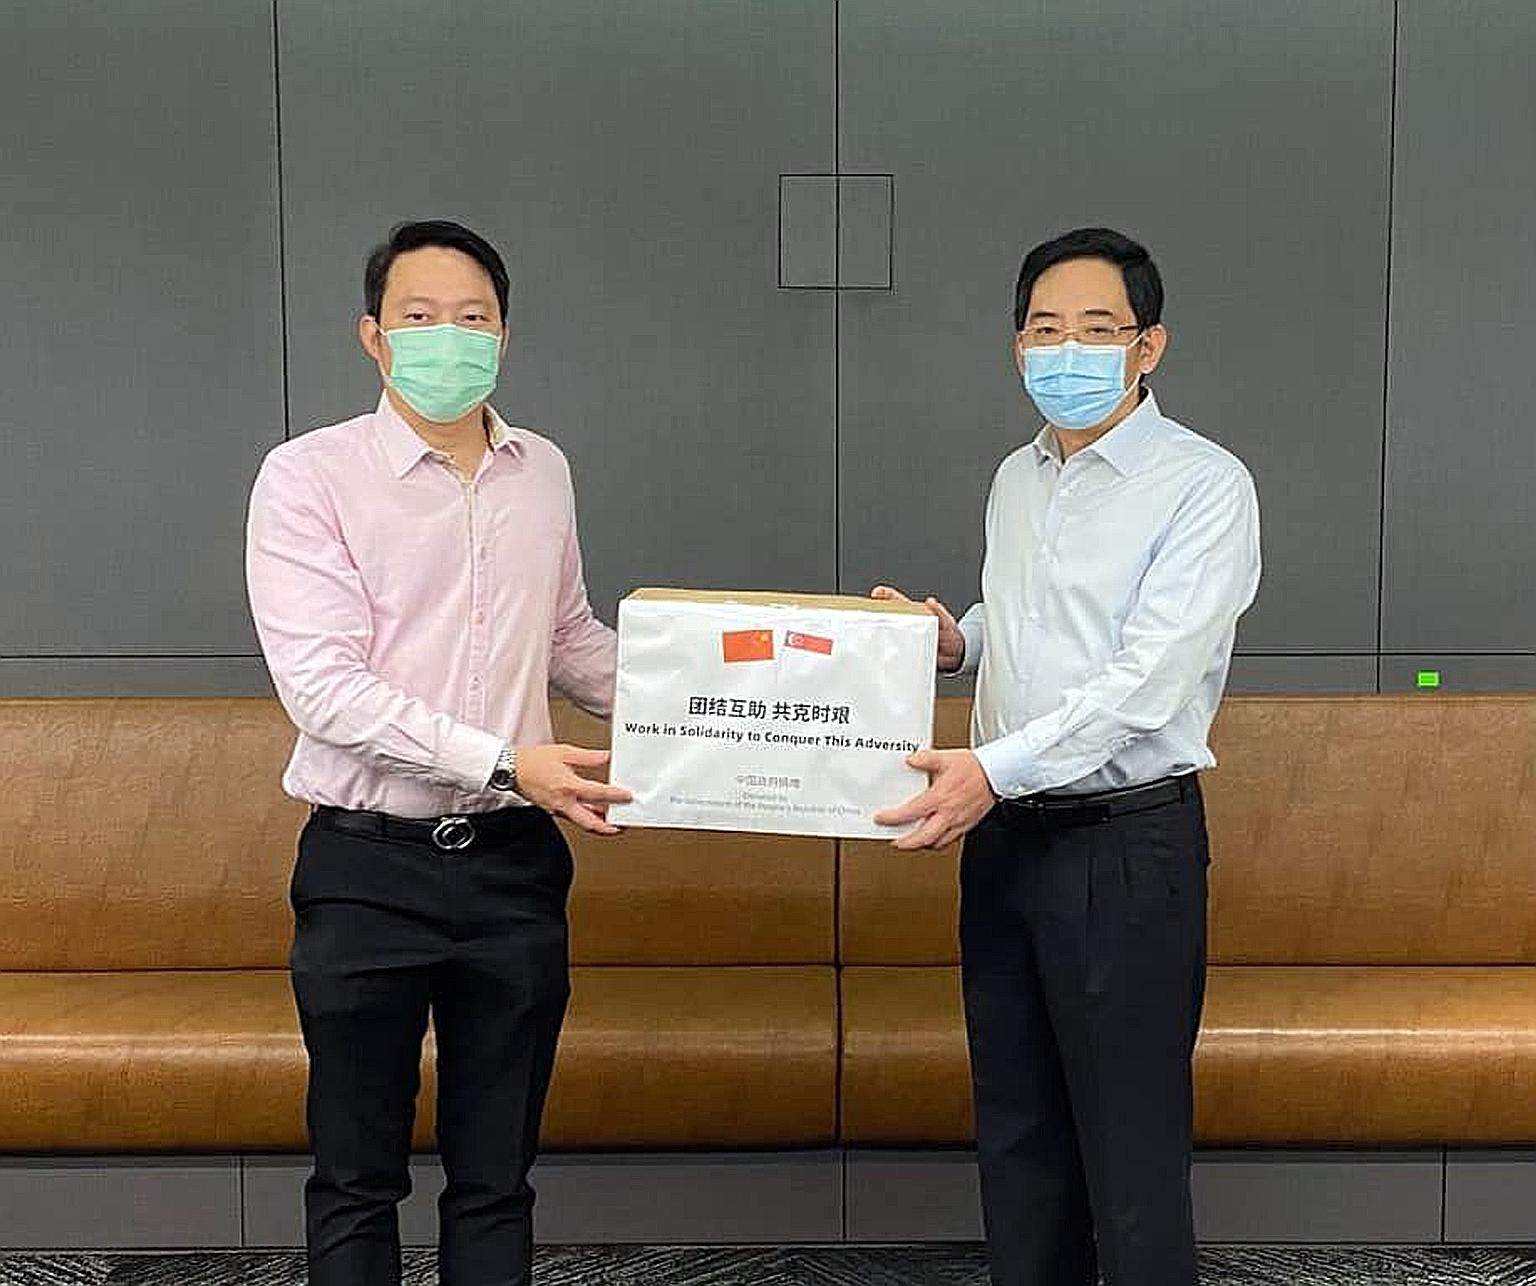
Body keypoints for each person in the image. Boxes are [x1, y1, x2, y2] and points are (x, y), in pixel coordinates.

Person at [873, 226, 1261, 1286]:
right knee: (1018, 1137)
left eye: (1099, 328)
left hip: (1124, 850)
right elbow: (1042, 625)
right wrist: (962, 640)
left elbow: (1147, 681)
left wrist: (991, 768)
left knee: (1129, 1157)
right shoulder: (1019, 476)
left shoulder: (1204, 485)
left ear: (1150, 346)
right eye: (1046, 328)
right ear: (1017, 346)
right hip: (1004, 844)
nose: (1068, 350)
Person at [246, 219, 630, 1286]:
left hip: (513, 867)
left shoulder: (541, 470)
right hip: (365, 868)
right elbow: (324, 688)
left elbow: (569, 643)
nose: (447, 338)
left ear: (504, 335)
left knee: (498, 1175)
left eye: (473, 318)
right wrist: (512, 759)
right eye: (420, 317)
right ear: (374, 335)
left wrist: (727, 700)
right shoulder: (307, 477)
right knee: (357, 1177)